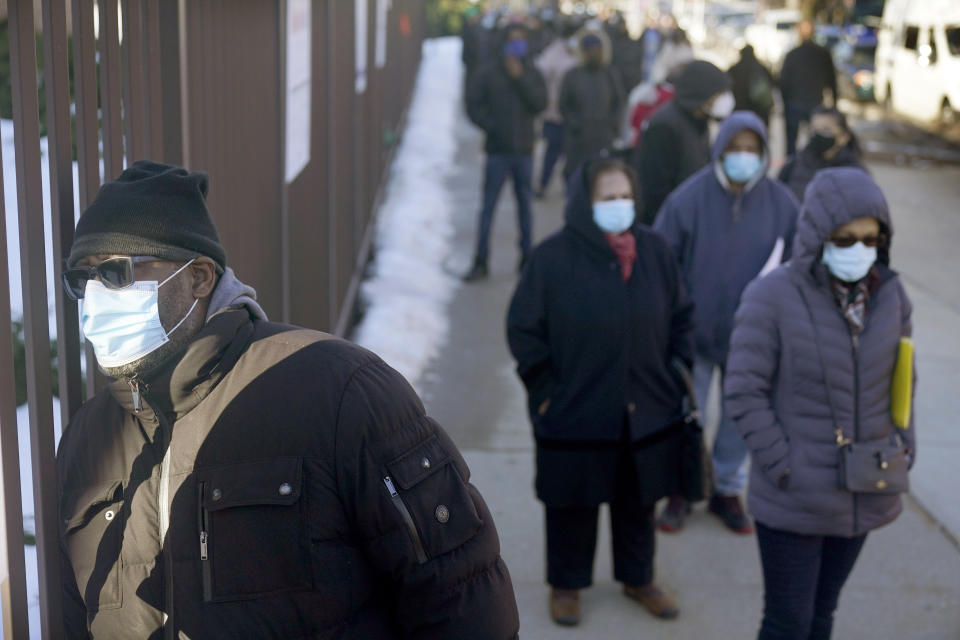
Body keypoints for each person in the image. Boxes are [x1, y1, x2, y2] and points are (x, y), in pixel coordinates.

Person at [57, 161, 521, 639]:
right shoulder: (86, 440)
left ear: (198, 277)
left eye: (116, 274)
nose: (95, 296)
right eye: (82, 279)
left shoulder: (337, 389)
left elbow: (461, 596)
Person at [725, 167, 916, 639]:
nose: (859, 251)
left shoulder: (890, 296)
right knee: (788, 621)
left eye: (870, 239)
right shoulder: (771, 296)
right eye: (845, 238)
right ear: (817, 236)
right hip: (796, 496)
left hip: (865, 483)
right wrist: (783, 464)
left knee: (822, 615)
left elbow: (904, 380)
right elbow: (743, 391)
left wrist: (902, 445)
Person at [507, 158, 694, 627]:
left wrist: (675, 373)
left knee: (638, 499)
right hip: (576, 408)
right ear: (586, 204)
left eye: (625, 196)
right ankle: (566, 585)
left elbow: (681, 316)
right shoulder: (553, 258)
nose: (619, 206)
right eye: (607, 198)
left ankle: (638, 577)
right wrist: (544, 390)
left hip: (645, 406)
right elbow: (524, 329)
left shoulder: (654, 250)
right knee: (573, 501)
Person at [653, 112, 799, 534]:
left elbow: (799, 266)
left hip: (752, 341)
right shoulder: (689, 198)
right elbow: (662, 262)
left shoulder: (782, 204)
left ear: (764, 154)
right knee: (685, 415)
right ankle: (682, 487)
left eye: (752, 150)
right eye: (735, 148)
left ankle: (726, 489)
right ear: (720, 149)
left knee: (741, 418)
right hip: (693, 334)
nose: (742, 157)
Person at [464, 23, 548, 281]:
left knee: (525, 207)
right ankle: (481, 260)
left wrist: (519, 77)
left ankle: (526, 258)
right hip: (497, 151)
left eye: (520, 40)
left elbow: (540, 103)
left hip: (524, 150)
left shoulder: (531, 72)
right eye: (512, 41)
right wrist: (492, 127)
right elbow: (473, 105)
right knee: (488, 208)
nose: (516, 45)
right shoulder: (488, 73)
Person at [634, 60, 733, 224]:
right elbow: (655, 188)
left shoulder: (700, 121)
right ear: (703, 93)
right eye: (720, 94)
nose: (724, 100)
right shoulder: (664, 125)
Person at [559, 32, 624, 183]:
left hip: (603, 137)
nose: (593, 53)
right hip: (579, 140)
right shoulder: (572, 75)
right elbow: (564, 105)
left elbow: (618, 102)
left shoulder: (610, 74)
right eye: (589, 49)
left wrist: (613, 125)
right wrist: (575, 125)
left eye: (597, 48)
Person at [778, 105, 866, 202]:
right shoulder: (793, 165)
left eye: (826, 130)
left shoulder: (857, 174)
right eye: (814, 130)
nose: (818, 135)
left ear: (844, 136)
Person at [534, 23, 579, 197]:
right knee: (552, 153)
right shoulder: (553, 54)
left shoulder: (580, 54)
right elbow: (541, 74)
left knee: (572, 156)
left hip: (575, 115)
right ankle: (544, 184)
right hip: (555, 114)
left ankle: (571, 188)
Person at [780, 19, 837, 156]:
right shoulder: (822, 53)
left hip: (795, 103)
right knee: (815, 142)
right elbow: (832, 80)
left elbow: (783, 82)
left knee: (792, 145)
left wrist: (785, 102)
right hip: (814, 102)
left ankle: (792, 168)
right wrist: (834, 103)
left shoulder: (792, 55)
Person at [728, 45, 776, 127]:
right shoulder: (761, 68)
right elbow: (773, 82)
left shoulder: (734, 69)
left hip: (740, 109)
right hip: (759, 110)